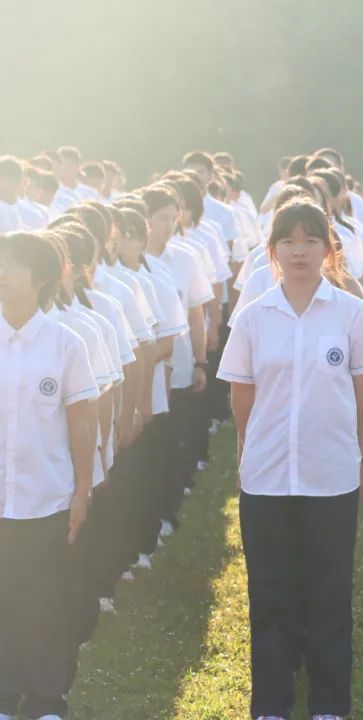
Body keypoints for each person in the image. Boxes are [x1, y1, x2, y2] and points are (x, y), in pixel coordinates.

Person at [217, 200, 363, 720]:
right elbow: (241, 394)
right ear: (271, 252)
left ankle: (330, 704)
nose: (299, 250)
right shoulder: (253, 317)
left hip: (330, 474)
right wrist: (250, 448)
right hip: (267, 476)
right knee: (270, 593)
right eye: (288, 241)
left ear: (328, 249)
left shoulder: (352, 314)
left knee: (329, 593)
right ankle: (270, 703)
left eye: (310, 240)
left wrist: (362, 457)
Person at [0, 231, 98, 720]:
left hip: (48, 500)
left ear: (38, 278)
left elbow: (83, 423)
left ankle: (45, 700)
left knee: (48, 603)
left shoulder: (65, 344)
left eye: (8, 265)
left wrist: (82, 490)